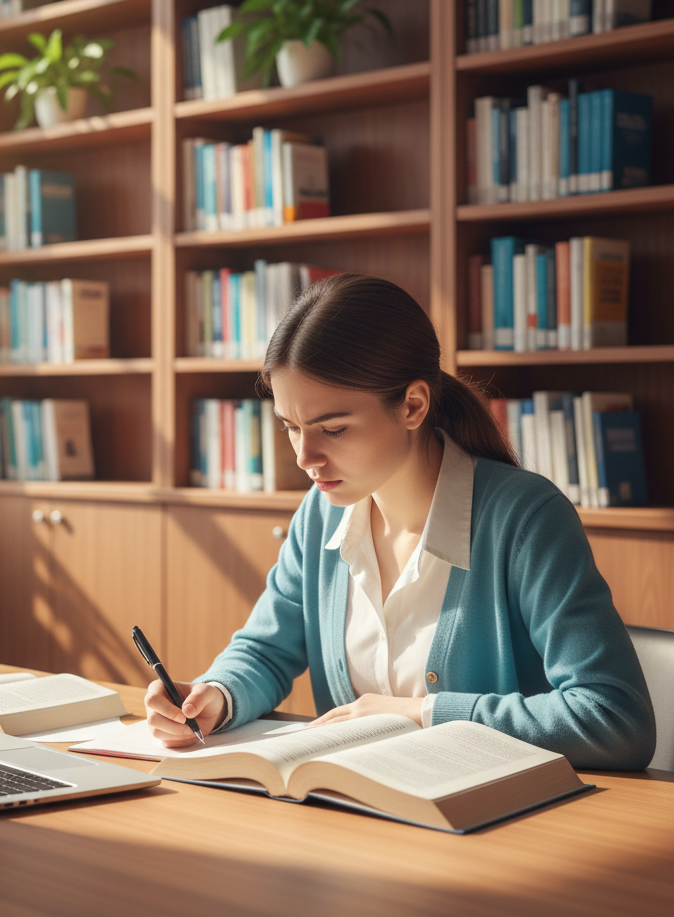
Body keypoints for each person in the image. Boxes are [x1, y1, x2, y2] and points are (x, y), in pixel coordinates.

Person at [145, 273, 655, 769]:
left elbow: (614, 717)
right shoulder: (322, 514)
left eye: (334, 429)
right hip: (358, 817)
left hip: (496, 831)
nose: (305, 457)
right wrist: (216, 694)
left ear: (412, 405)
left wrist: (424, 714)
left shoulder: (525, 518)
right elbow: (265, 650)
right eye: (291, 427)